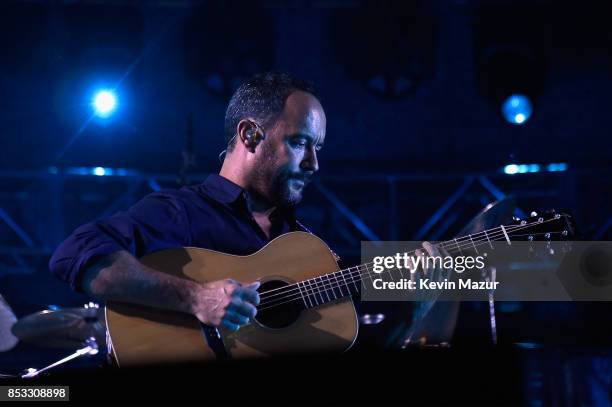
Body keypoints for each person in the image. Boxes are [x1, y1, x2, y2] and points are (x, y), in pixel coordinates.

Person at [50, 71, 452, 345]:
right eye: (300, 143)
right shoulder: (181, 212)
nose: (314, 164)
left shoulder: (307, 247)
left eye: (318, 148)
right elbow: (73, 255)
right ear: (249, 134)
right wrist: (194, 298)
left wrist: (411, 312)